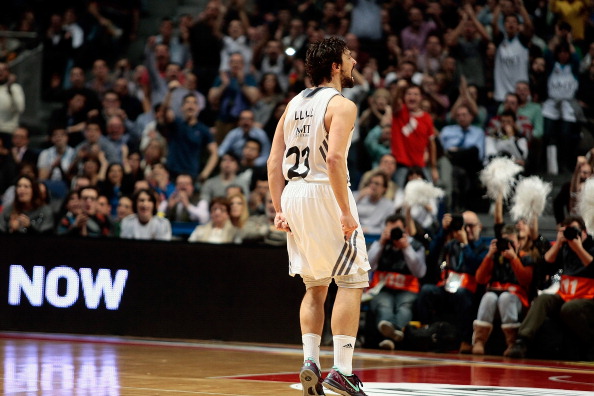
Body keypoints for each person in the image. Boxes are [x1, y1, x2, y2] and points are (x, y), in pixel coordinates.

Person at [267, 36, 370, 396]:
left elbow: (273, 161)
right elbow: (336, 160)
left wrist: (279, 209)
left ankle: (310, 362)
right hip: (324, 191)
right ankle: (342, 370)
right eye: (349, 56)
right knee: (352, 280)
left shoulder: (292, 104)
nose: (354, 61)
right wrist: (344, 212)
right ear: (335, 66)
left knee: (314, 284)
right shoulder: (342, 104)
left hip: (293, 194)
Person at [507, 216, 594, 360]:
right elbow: (544, 267)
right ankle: (522, 341)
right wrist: (558, 243)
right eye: (566, 231)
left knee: (569, 308)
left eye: (574, 231)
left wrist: (578, 248)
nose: (571, 235)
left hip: (588, 300)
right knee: (543, 299)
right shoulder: (565, 248)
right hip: (566, 297)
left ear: (584, 232)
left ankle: (591, 342)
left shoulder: (591, 246)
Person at [417, 211, 490, 353]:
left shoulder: (483, 249)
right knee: (426, 290)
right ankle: (425, 333)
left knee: (462, 295)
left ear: (480, 227)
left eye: (471, 226)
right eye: (464, 226)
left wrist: (465, 245)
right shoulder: (452, 245)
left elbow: (476, 266)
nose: (467, 229)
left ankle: (465, 340)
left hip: (470, 293)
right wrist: (443, 231)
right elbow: (432, 255)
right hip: (448, 288)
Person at [367, 214, 427, 350]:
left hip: (407, 290)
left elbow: (420, 272)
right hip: (383, 289)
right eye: (390, 230)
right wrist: (381, 243)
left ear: (405, 229)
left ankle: (388, 338)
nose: (394, 233)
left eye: (397, 230)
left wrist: (406, 248)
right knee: (384, 305)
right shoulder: (381, 243)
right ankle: (395, 334)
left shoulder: (415, 245)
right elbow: (368, 265)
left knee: (405, 306)